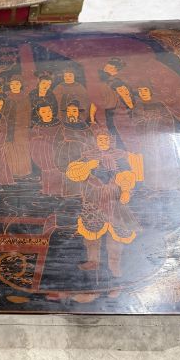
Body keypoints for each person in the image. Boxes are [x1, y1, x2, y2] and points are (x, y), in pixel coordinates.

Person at [65, 126, 140, 277]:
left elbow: (128, 175)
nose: (103, 142)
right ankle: (93, 261)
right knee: (92, 230)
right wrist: (88, 165)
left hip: (114, 197)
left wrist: (126, 191)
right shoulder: (89, 156)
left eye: (106, 139)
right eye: (100, 139)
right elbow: (72, 173)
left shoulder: (120, 156)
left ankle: (114, 266)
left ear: (110, 141)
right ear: (96, 141)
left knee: (116, 233)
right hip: (94, 197)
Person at [132, 85, 180, 190]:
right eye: (140, 91)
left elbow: (168, 119)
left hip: (161, 139)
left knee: (166, 160)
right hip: (147, 139)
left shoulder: (160, 105)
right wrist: (147, 120)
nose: (143, 93)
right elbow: (136, 122)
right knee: (150, 162)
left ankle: (171, 185)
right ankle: (152, 187)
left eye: (145, 90)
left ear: (150, 91)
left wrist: (157, 120)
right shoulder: (138, 106)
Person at [53, 101, 94, 197]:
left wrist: (86, 150)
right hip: (66, 155)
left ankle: (83, 198)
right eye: (69, 111)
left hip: (82, 154)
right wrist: (61, 151)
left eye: (74, 111)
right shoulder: (63, 127)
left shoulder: (85, 127)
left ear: (78, 112)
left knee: (82, 174)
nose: (71, 113)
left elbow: (91, 141)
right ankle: (69, 198)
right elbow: (56, 142)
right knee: (68, 175)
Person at [30, 100, 63, 196]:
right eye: (43, 112)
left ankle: (57, 193)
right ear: (39, 113)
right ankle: (47, 192)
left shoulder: (59, 125)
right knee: (46, 173)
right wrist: (39, 140)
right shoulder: (37, 127)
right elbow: (32, 142)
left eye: (49, 111)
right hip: (44, 155)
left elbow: (63, 138)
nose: (47, 114)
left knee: (57, 172)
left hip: (57, 154)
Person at [4, 74, 33, 177]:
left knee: (21, 148)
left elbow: (28, 114)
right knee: (9, 148)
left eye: (17, 84)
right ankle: (11, 172)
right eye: (12, 84)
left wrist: (24, 128)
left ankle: (24, 171)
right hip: (7, 127)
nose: (14, 86)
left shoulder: (25, 97)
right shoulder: (5, 96)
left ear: (21, 85)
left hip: (21, 129)